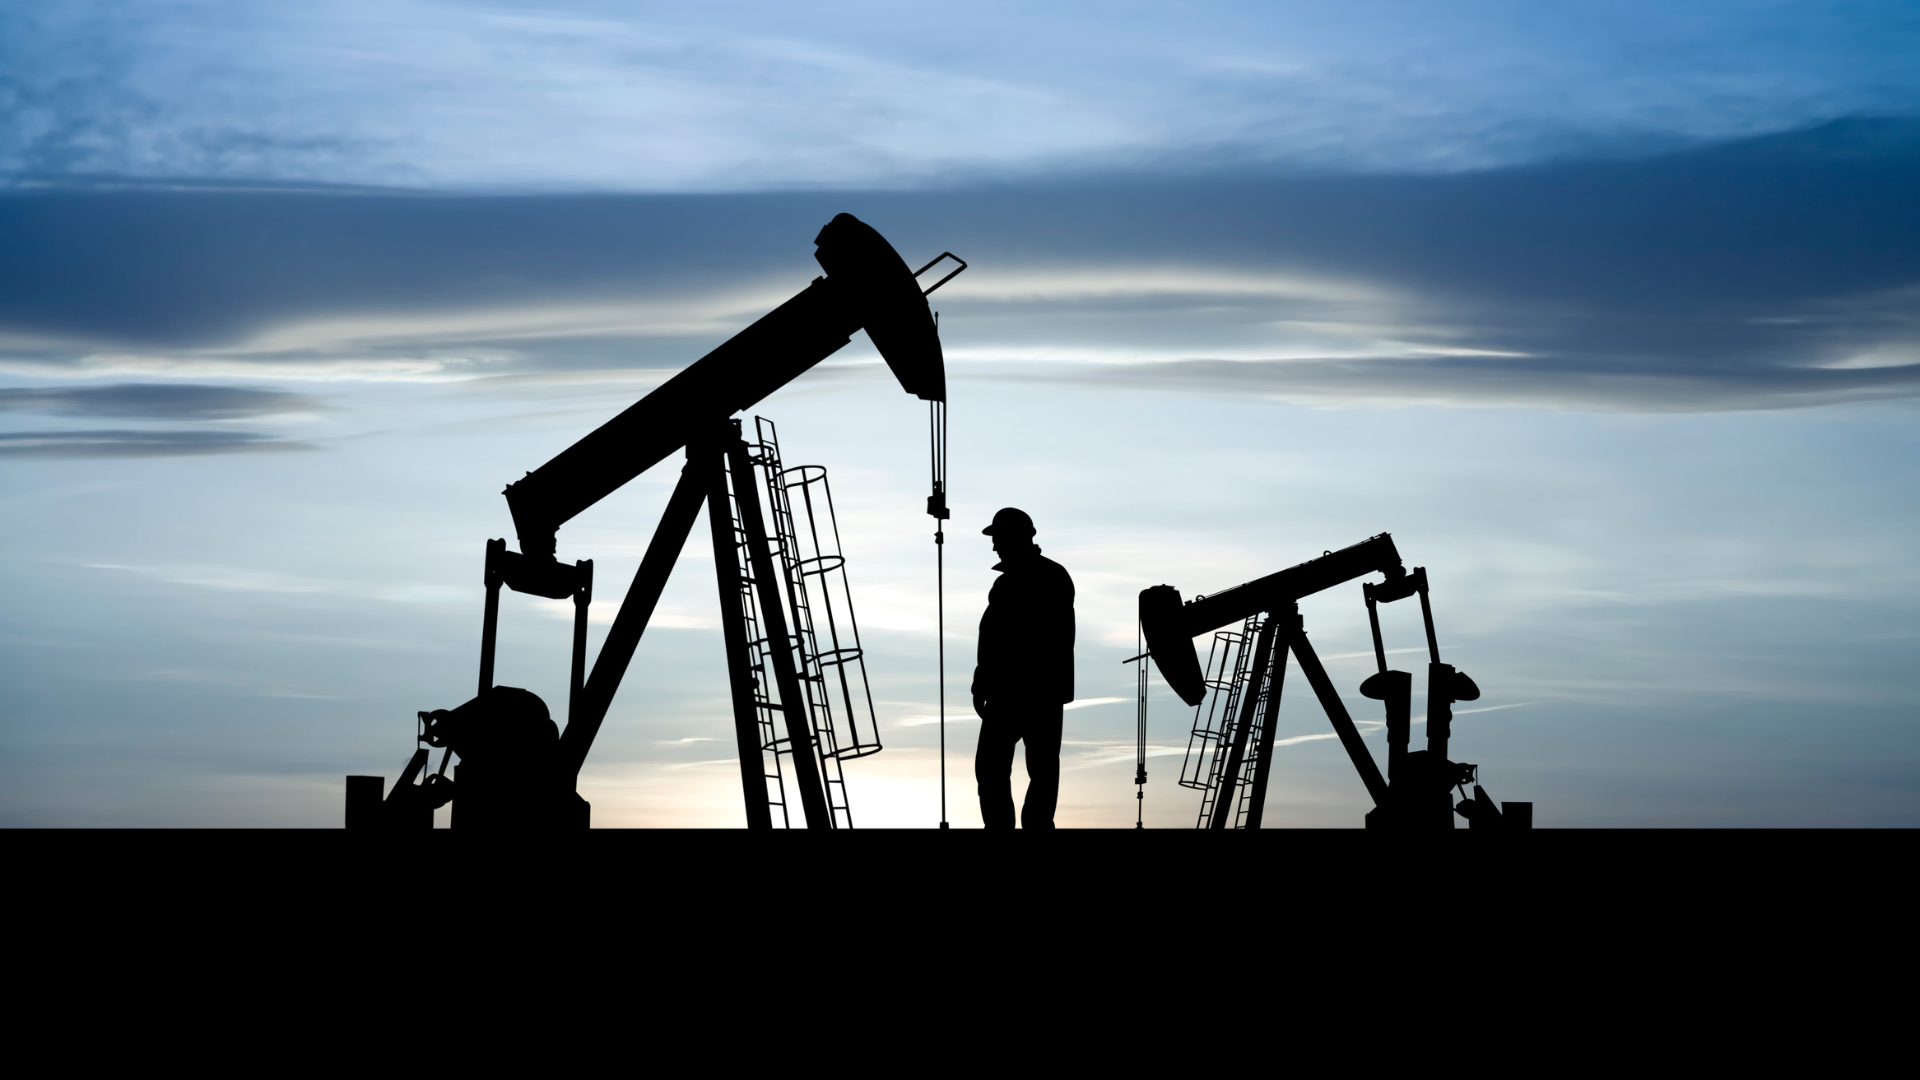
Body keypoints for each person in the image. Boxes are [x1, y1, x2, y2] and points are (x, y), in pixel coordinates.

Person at [972, 507, 1075, 829]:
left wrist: (985, 682)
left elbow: (1002, 639)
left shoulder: (1028, 580)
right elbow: (993, 638)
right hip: (1036, 691)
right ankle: (1031, 828)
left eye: (998, 538)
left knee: (1007, 768)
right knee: (1029, 768)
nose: (994, 546)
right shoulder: (1044, 576)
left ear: (1018, 537)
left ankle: (1020, 829)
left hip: (1019, 690)